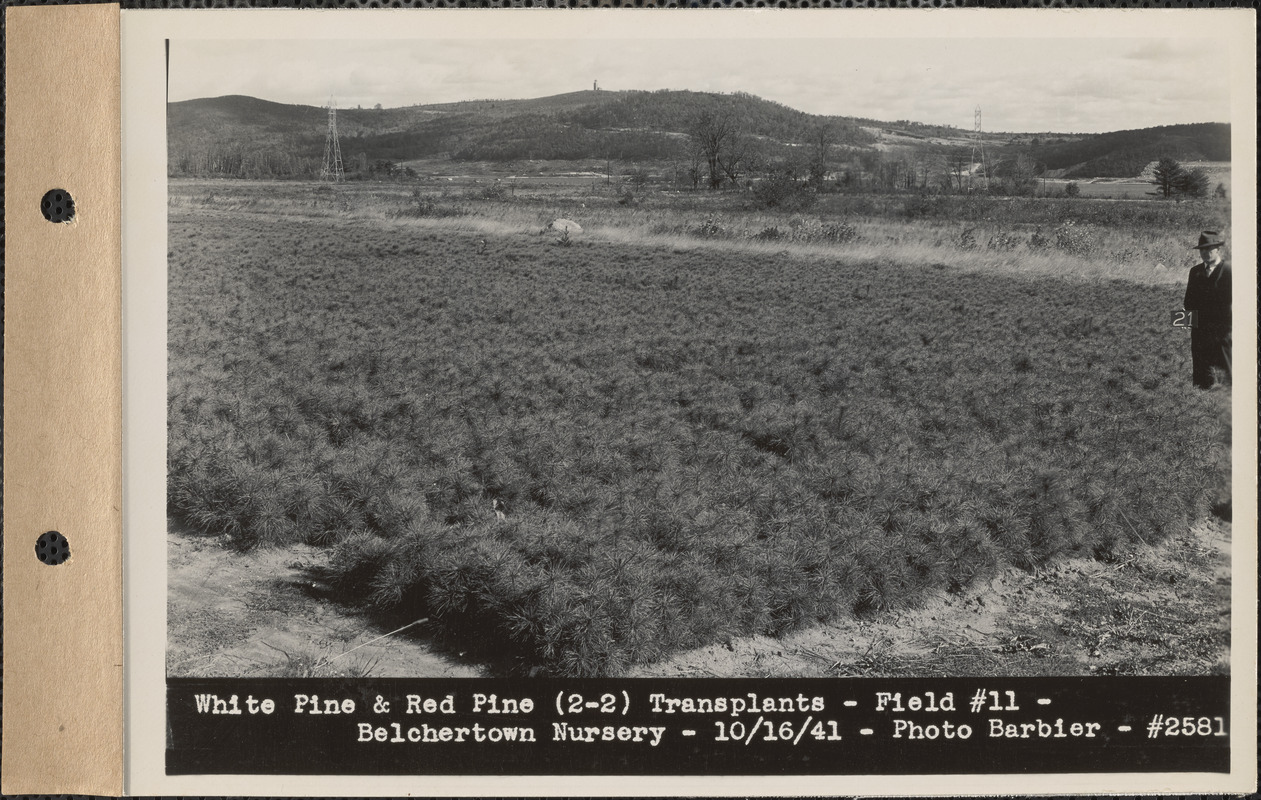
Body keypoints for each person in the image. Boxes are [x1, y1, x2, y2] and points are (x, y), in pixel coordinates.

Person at [1183, 230, 1231, 389]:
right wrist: (1187, 324)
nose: (1206, 253)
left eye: (1210, 249)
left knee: (1227, 372)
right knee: (1201, 374)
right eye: (1202, 249)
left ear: (1218, 249)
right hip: (1200, 330)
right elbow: (1189, 301)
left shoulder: (1229, 271)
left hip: (1223, 331)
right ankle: (1201, 399)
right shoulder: (1195, 271)